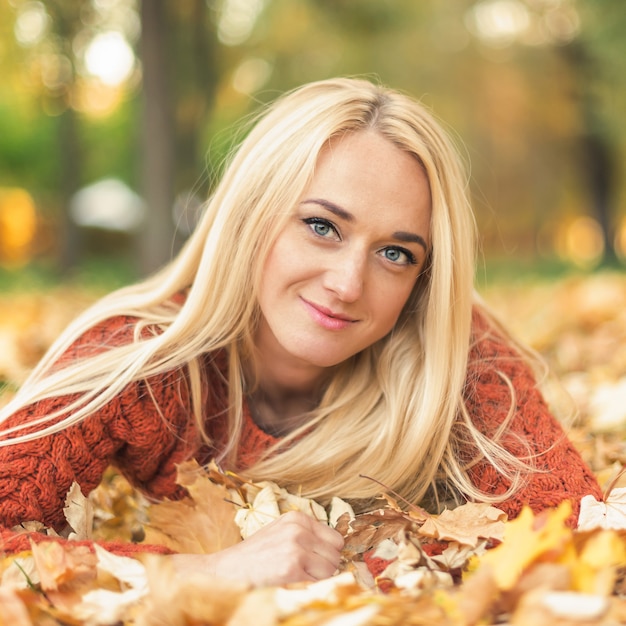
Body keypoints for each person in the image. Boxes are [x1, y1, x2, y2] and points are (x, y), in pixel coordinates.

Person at [0, 77, 601, 587]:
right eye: (322, 225)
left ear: (423, 280)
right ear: (252, 215)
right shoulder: (140, 363)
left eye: (395, 253)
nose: (347, 283)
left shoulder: (453, 356)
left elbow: (582, 535)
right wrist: (207, 571)